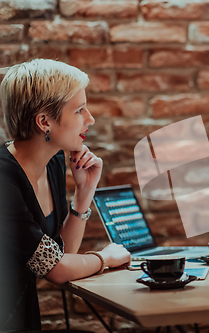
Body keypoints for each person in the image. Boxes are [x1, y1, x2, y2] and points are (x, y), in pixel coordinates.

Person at [0, 59, 131, 331]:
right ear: (44, 121)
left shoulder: (54, 164)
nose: (90, 119)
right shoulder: (4, 180)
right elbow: (56, 270)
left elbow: (61, 253)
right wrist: (105, 258)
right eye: (80, 110)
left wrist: (84, 192)